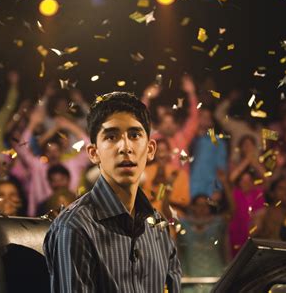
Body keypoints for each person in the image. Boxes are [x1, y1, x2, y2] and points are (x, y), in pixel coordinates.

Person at [44, 92, 182, 292]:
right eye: (111, 136)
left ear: (151, 149)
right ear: (94, 153)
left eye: (134, 135)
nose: (125, 147)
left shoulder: (158, 228)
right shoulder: (75, 228)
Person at [189, 106, 228, 198]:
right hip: (190, 188)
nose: (203, 121)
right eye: (201, 117)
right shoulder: (189, 139)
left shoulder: (217, 142)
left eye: (206, 118)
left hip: (209, 189)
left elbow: (221, 169)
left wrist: (217, 189)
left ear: (211, 122)